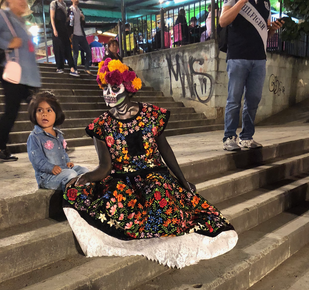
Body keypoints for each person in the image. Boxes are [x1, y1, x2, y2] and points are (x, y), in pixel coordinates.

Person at [62, 59, 238, 268]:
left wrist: (182, 180)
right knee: (114, 208)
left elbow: (165, 151)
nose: (109, 93)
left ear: (128, 88)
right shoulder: (101, 125)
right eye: (105, 88)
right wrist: (85, 178)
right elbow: (105, 167)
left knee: (162, 203)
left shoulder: (151, 115)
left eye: (115, 87)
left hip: (156, 176)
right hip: (121, 181)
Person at [0, 0, 41, 161]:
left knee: (38, 107)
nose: (23, 2)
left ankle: (52, 142)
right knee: (14, 111)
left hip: (28, 76)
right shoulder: (2, 16)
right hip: (13, 73)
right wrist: (6, 43)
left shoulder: (21, 20)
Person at [220, 0, 284, 151]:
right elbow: (223, 21)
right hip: (238, 56)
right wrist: (241, 2)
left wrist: (273, 29)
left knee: (253, 100)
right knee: (234, 99)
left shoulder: (266, 3)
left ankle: (247, 137)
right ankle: (229, 137)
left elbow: (265, 34)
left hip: (259, 58)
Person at [27, 91, 89, 190]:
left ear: (56, 113)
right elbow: (37, 160)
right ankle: (71, 198)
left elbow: (62, 152)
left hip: (63, 170)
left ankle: (85, 194)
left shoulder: (58, 134)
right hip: (47, 177)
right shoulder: (35, 137)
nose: (44, 114)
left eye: (49, 110)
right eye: (40, 110)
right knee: (71, 174)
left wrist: (68, 162)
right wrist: (51, 167)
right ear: (34, 114)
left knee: (84, 171)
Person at [50, 0, 79, 76]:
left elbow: (66, 18)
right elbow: (52, 18)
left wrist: (69, 20)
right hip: (57, 28)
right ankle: (59, 67)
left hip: (64, 28)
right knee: (58, 47)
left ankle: (72, 68)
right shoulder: (54, 3)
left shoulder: (64, 5)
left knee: (68, 47)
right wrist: (54, 29)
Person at [66, 0, 92, 75]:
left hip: (81, 34)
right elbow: (68, 23)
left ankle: (87, 67)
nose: (76, 0)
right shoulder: (70, 10)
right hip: (74, 34)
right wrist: (70, 33)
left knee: (88, 50)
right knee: (75, 53)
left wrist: (83, 18)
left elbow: (83, 24)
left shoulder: (80, 10)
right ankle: (75, 69)